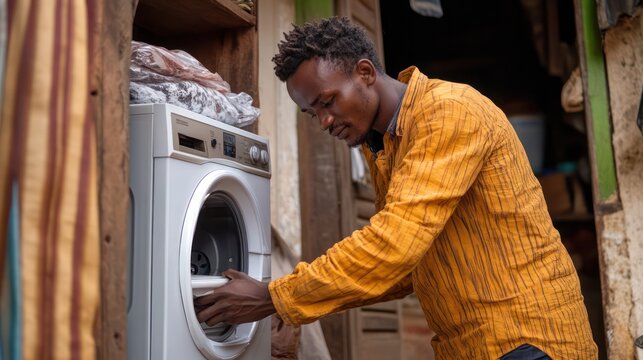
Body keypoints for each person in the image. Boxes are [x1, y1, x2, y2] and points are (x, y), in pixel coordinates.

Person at [195, 16, 598, 359]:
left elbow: (393, 248)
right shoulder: (385, 144)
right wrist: (292, 303)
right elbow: (403, 269)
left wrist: (274, 296)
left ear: (366, 74)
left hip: (528, 341)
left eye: (328, 101)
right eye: (311, 111)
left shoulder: (447, 112)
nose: (324, 121)